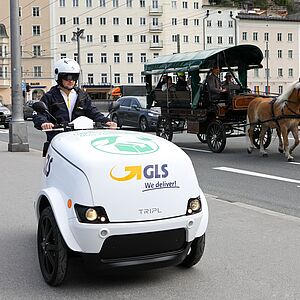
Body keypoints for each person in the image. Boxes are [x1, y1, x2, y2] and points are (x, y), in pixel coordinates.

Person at [33, 58, 116, 145]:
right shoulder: (50, 97)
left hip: (79, 139)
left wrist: (106, 121)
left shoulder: (82, 96)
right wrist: (44, 123)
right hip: (58, 139)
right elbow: (40, 114)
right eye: (67, 77)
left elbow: (93, 112)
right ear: (59, 77)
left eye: (74, 77)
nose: (71, 80)